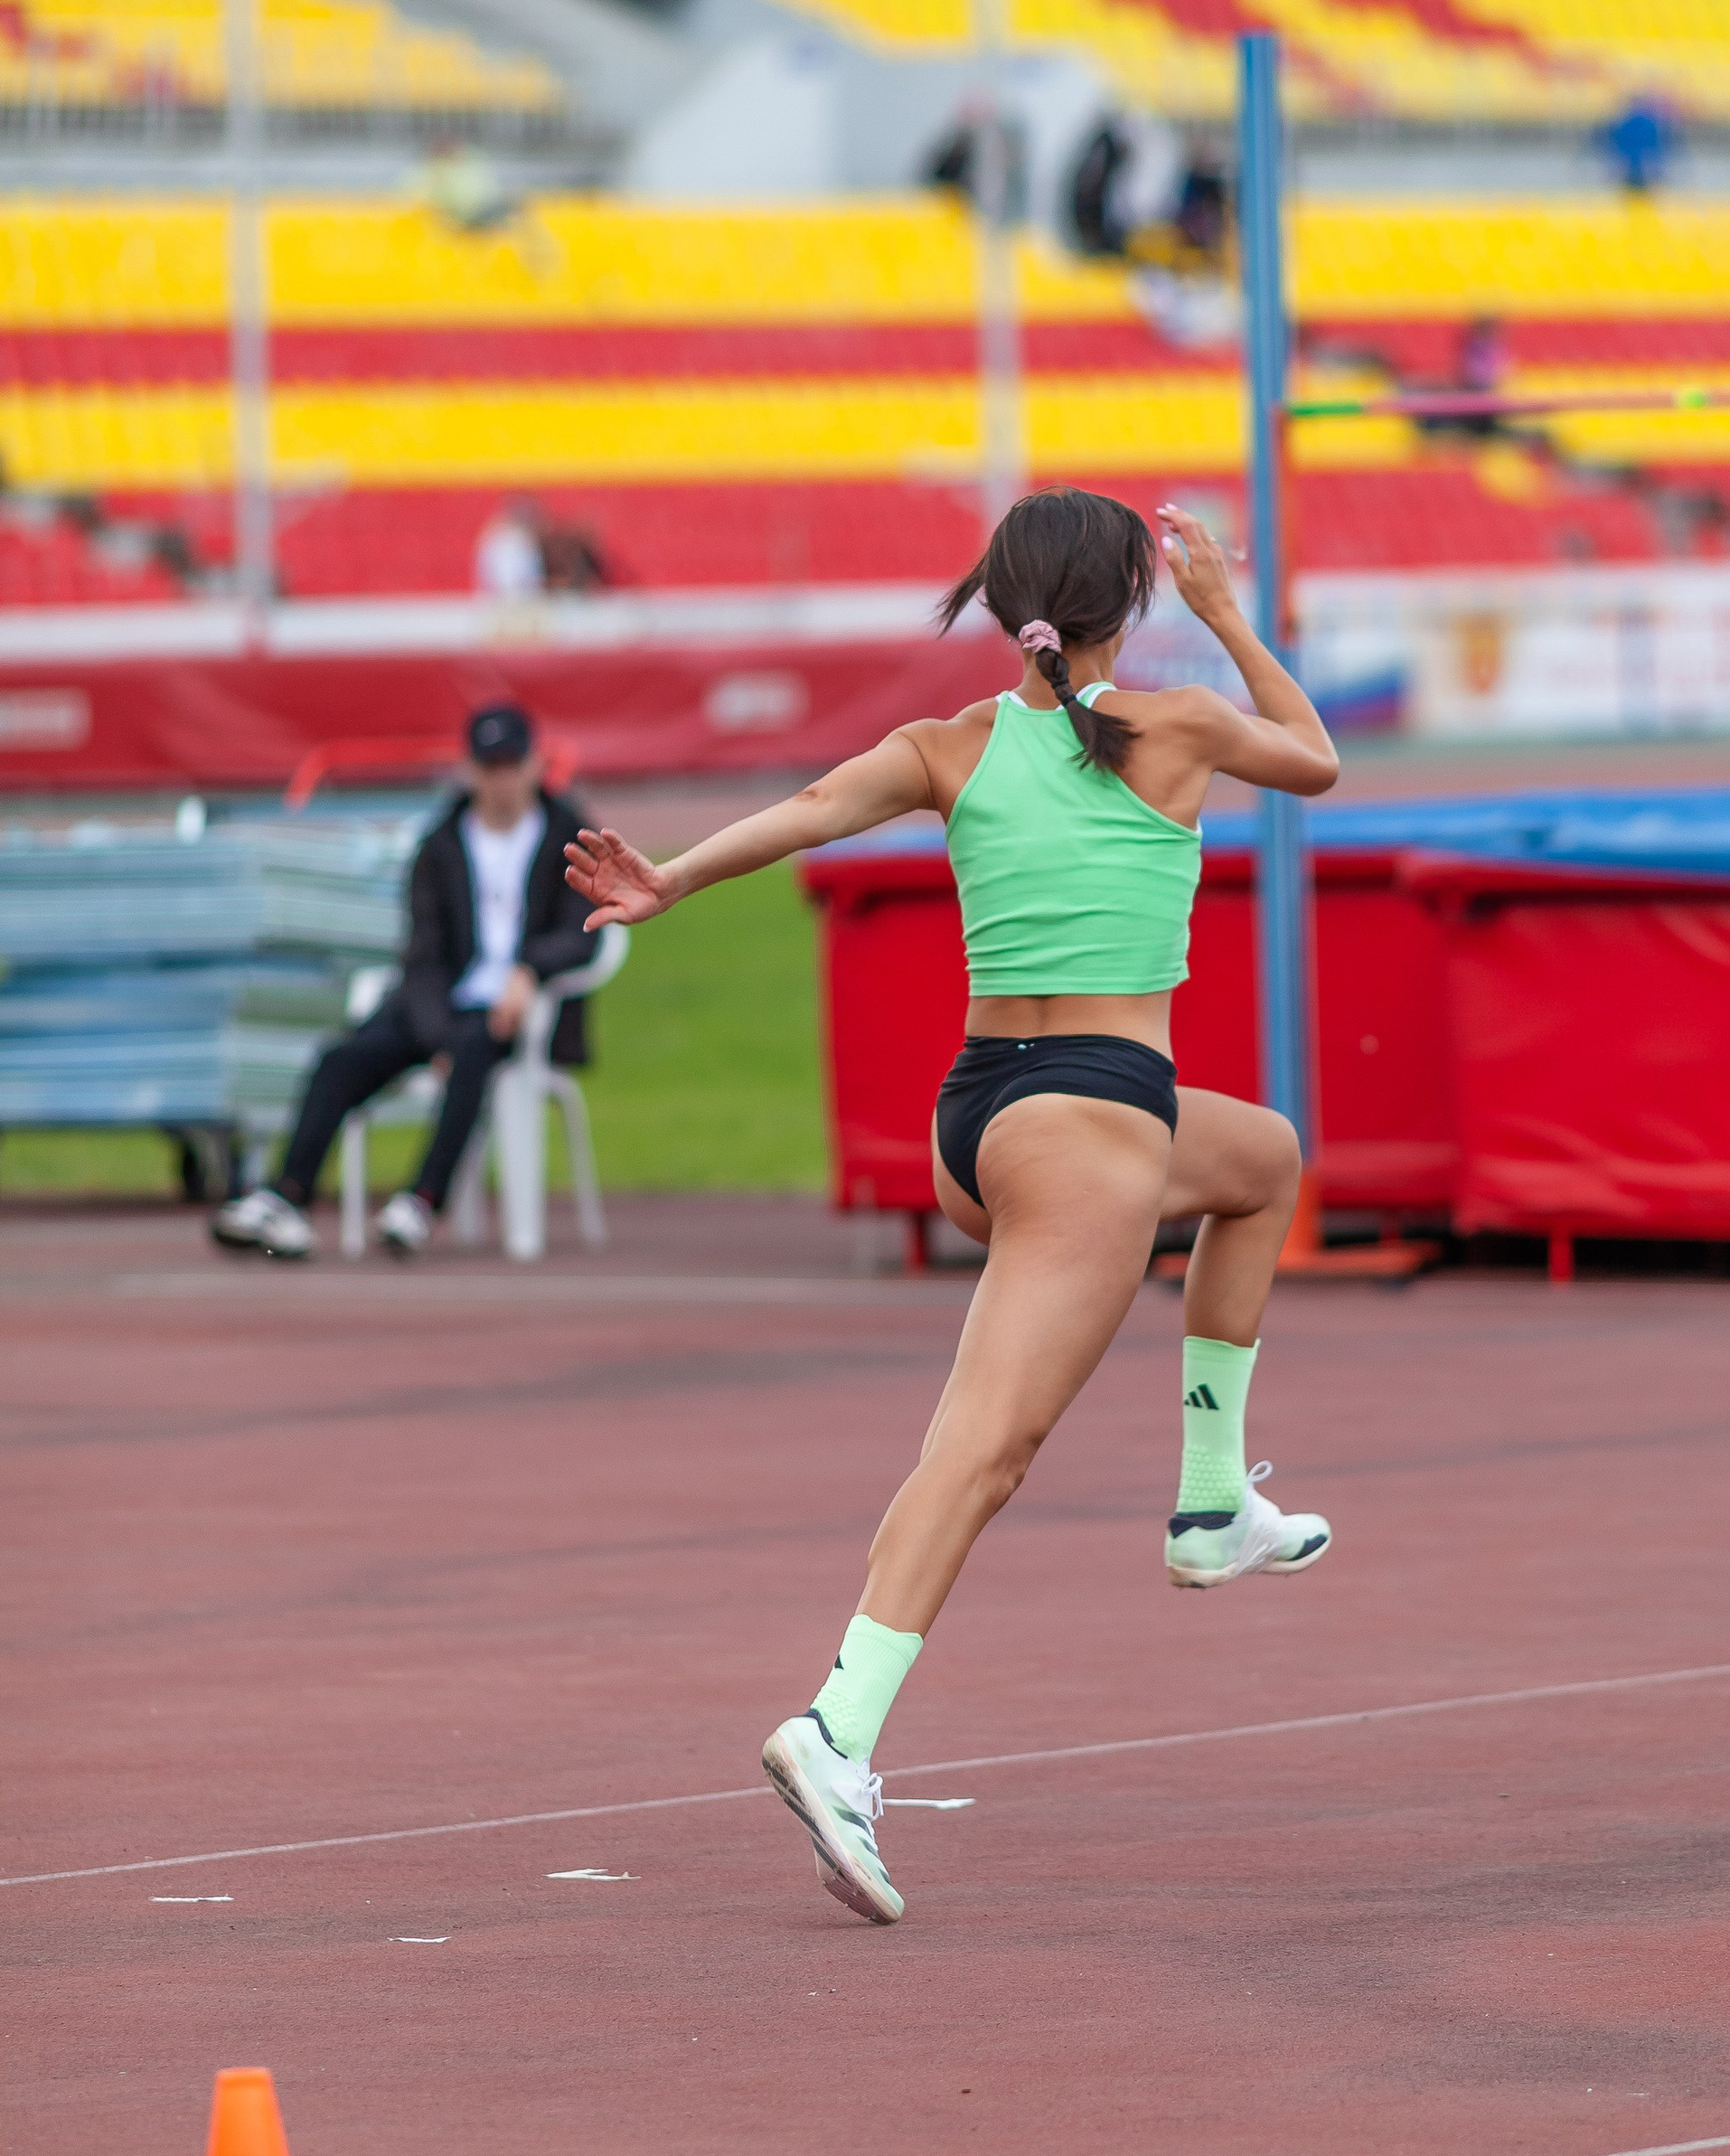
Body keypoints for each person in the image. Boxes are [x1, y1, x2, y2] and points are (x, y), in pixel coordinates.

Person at [566, 487, 1340, 1927]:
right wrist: (1230, 615)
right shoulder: (1178, 726)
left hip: (980, 1120)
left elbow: (808, 814)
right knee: (982, 1454)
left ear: (1004, 609)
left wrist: (671, 881)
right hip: (1092, 1126)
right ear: (1131, 604)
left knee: (1260, 1160)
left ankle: (1211, 1501)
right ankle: (837, 1728)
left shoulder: (952, 745)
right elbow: (1316, 758)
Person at [212, 705, 595, 1263]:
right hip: (438, 1005)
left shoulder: (569, 837)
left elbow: (583, 931)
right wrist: (438, 1033)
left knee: (475, 1048)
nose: (502, 779)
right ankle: (286, 1197)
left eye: (512, 764)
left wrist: (529, 970)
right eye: (490, 766)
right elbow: (424, 953)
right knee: (340, 1059)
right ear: (469, 770)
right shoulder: (439, 844)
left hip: (519, 1015)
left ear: (535, 765)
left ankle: (421, 1200)